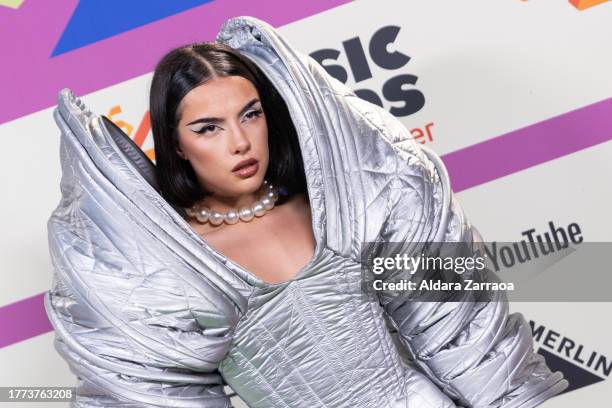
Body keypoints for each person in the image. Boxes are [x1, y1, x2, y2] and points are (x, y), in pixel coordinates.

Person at [44, 16, 568, 407]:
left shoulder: (343, 206)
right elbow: (150, 391)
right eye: (209, 128)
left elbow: (455, 319)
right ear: (176, 144)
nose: (240, 142)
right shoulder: (166, 266)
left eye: (250, 115)